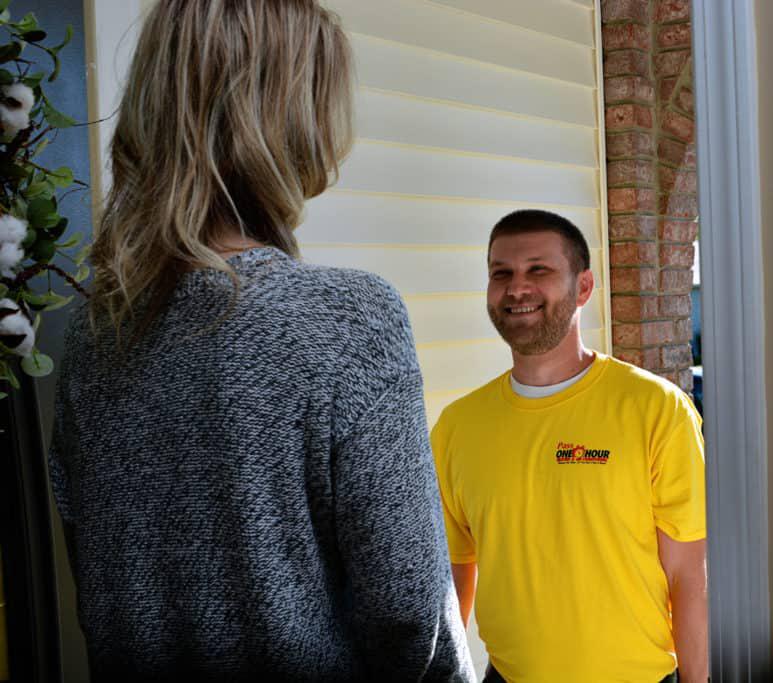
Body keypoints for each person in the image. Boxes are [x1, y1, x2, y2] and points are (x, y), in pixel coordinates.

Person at [47, 1, 473, 680]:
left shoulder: (93, 339)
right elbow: (409, 617)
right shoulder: (350, 318)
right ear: (291, 120)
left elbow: (100, 588)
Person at [431, 210, 708, 683]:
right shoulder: (458, 427)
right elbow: (452, 581)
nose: (517, 288)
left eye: (539, 270)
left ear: (583, 287)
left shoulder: (656, 409)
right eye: (502, 274)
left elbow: (689, 577)